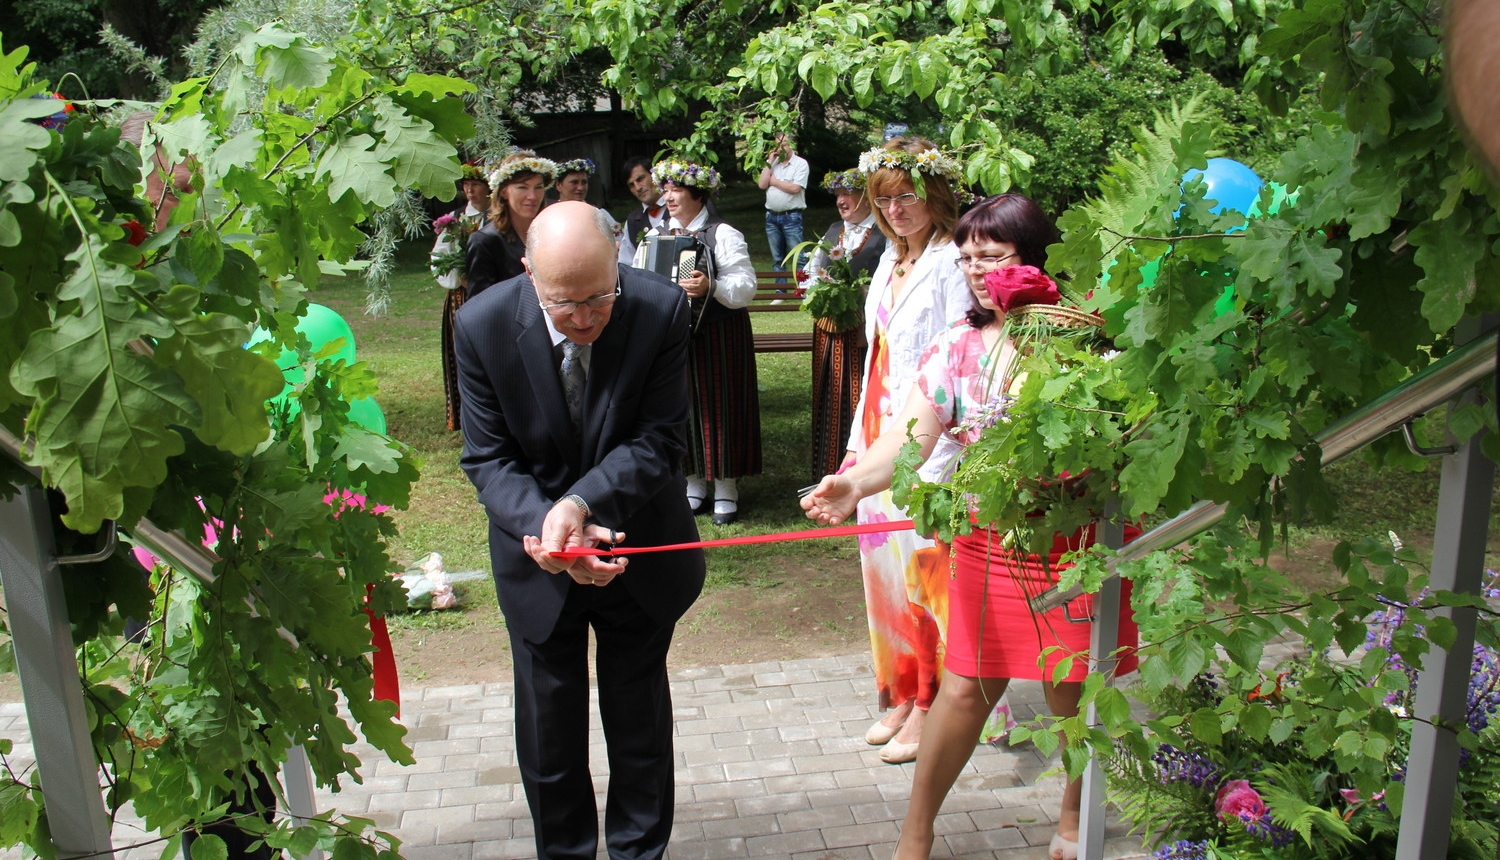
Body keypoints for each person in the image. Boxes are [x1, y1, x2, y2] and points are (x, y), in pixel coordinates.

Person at [805, 193, 1137, 860]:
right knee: (961, 690)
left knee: (1071, 691)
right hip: (988, 541)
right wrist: (856, 480)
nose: (977, 270)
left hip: (1072, 543)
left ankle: (1074, 815)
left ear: (1038, 258)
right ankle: (915, 834)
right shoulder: (957, 345)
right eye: (966, 259)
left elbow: (1120, 443)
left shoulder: (1089, 341)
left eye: (993, 256)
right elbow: (912, 434)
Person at [453, 201, 706, 860]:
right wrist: (550, 526)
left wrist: (582, 505)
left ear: (618, 264)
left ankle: (637, 853)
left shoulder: (659, 311)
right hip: (537, 560)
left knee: (638, 727)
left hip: (638, 553)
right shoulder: (480, 325)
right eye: (565, 304)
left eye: (601, 296)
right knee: (549, 734)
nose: (587, 317)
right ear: (528, 271)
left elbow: (659, 440)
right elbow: (488, 457)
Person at [844, 138, 974, 763]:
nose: (896, 208)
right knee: (887, 579)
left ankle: (933, 703)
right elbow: (875, 360)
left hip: (926, 441)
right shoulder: (891, 260)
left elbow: (958, 367)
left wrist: (939, 461)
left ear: (935, 194)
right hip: (877, 430)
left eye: (908, 195)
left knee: (926, 577)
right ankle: (900, 690)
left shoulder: (952, 262)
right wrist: (854, 450)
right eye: (884, 198)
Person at [635, 159, 761, 525]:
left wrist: (712, 286)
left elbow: (745, 286)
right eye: (667, 189)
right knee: (680, 407)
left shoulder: (722, 233)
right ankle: (692, 482)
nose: (668, 196)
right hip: (672, 336)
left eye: (676, 189)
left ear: (697, 192)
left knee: (721, 406)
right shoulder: (656, 234)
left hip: (718, 334)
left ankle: (726, 487)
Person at [804, 168, 887, 477]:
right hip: (829, 332)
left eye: (848, 193)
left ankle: (862, 474)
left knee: (859, 400)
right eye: (838, 194)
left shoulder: (884, 235)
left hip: (863, 333)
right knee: (829, 399)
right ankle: (826, 472)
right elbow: (813, 271)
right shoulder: (831, 230)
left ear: (867, 196)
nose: (841, 200)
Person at [432, 163, 491, 431]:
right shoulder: (455, 219)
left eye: (475, 184)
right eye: (465, 184)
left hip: (491, 292)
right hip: (462, 296)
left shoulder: (497, 218)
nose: (469, 189)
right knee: (462, 354)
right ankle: (463, 415)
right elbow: (439, 258)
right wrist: (460, 276)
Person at [466, 150, 555, 299]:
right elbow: (479, 306)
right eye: (522, 187)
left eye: (538, 187)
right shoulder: (485, 241)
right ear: (504, 192)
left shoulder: (552, 233)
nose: (532, 196)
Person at [758, 132, 810, 282]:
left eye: (784, 144)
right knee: (777, 258)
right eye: (778, 145)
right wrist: (769, 161)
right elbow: (762, 184)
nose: (781, 148)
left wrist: (774, 182)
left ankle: (803, 289)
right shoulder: (772, 164)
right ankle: (780, 291)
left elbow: (795, 188)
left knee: (798, 256)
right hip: (771, 217)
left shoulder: (800, 164)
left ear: (791, 145)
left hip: (791, 216)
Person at [555, 157, 624, 246]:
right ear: (559, 185)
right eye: (574, 182)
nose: (580, 187)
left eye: (584, 182)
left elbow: (620, 246)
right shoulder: (549, 217)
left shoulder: (600, 215)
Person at [618, 156, 667, 266]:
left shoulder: (678, 208)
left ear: (654, 176)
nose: (638, 187)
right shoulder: (632, 221)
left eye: (640, 179)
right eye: (631, 185)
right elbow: (626, 264)